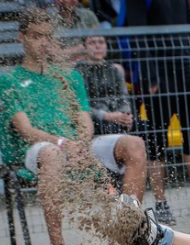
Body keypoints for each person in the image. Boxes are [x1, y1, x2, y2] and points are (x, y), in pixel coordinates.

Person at [0, 9, 149, 245]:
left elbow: (84, 119)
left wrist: (79, 143)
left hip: (73, 144)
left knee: (134, 144)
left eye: (47, 37)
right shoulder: (10, 80)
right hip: (38, 150)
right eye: (35, 36)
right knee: (52, 154)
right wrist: (62, 143)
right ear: (22, 38)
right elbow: (25, 128)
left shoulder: (69, 76)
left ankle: (130, 234)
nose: (42, 42)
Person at [120, 0, 190, 214]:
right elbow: (137, 35)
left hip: (187, 76)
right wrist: (150, 78)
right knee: (157, 141)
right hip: (159, 78)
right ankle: (161, 202)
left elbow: (189, 33)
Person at [75, 35, 176, 225]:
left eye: (101, 42)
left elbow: (123, 97)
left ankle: (161, 201)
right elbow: (82, 106)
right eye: (92, 43)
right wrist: (108, 116)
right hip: (97, 122)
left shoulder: (114, 69)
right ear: (85, 47)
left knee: (153, 135)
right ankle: (121, 201)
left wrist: (126, 115)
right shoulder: (78, 72)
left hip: (120, 119)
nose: (98, 46)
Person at [51, 0, 100, 64]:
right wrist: (76, 49)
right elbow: (53, 54)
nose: (74, 0)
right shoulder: (50, 20)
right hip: (62, 65)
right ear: (59, 1)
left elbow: (98, 45)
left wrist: (66, 52)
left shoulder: (88, 15)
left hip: (88, 62)